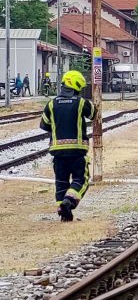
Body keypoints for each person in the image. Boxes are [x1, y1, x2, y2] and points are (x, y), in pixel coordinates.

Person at [39, 71, 96, 222]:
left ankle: (63, 212)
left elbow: (44, 125)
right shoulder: (81, 102)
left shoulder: (51, 104)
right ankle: (68, 202)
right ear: (76, 86)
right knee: (81, 179)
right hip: (77, 151)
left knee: (61, 182)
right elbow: (93, 114)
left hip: (57, 153)